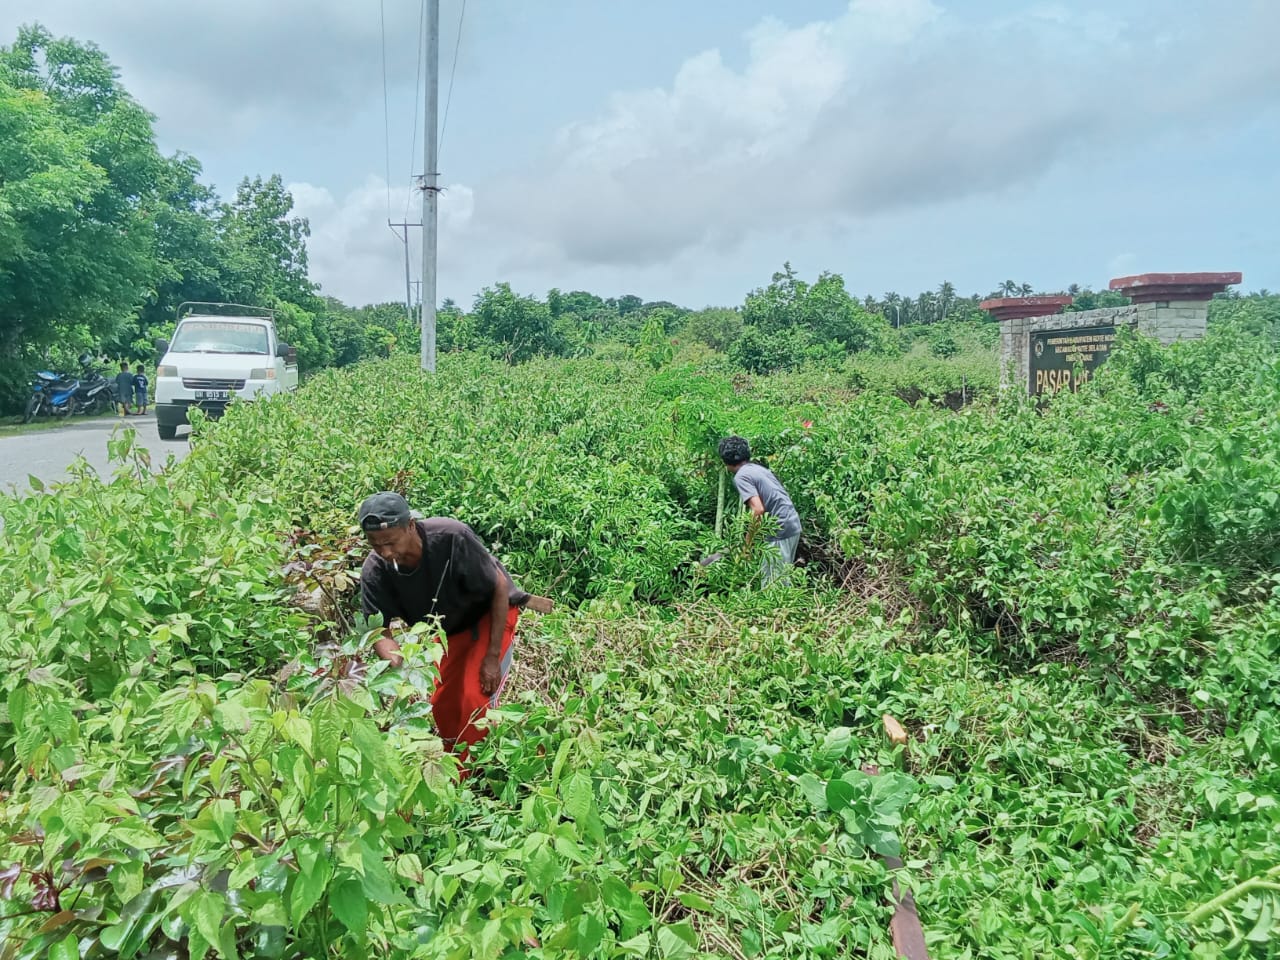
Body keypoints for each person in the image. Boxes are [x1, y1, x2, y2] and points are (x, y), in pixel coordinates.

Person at [357, 491, 528, 755]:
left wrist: (492, 658)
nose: (385, 552)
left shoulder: (451, 537)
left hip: (491, 615)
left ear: (410, 526)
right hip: (450, 632)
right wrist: (403, 669)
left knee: (474, 699)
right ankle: (455, 767)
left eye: (391, 542)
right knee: (443, 704)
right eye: (375, 544)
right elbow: (379, 631)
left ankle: (477, 775)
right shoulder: (375, 571)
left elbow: (499, 588)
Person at [718, 436, 802, 586]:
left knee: (773, 585)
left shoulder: (741, 476)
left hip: (779, 528)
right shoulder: (758, 469)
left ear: (726, 462)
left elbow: (758, 509)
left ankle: (781, 610)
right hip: (791, 523)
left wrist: (747, 545)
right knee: (781, 577)